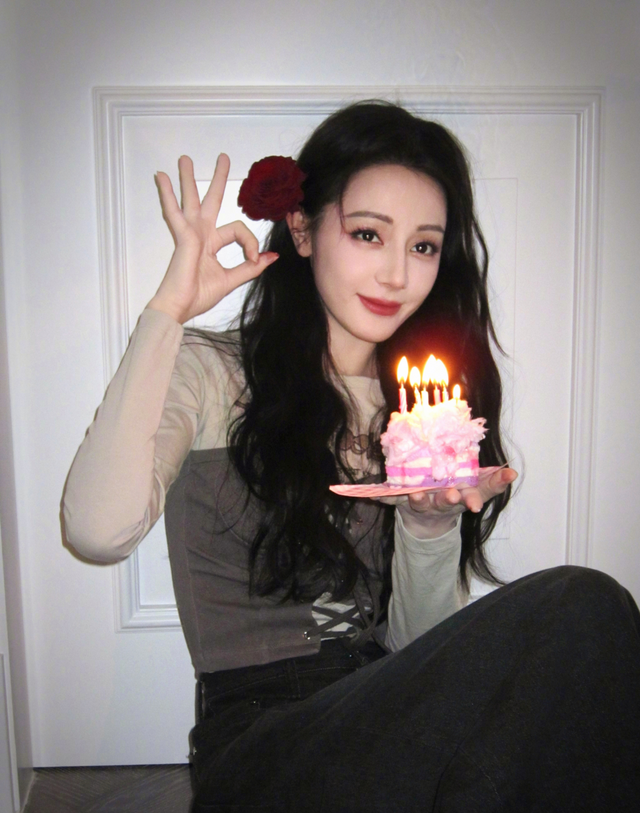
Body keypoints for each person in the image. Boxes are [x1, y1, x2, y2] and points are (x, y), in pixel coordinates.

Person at [63, 100, 640, 811]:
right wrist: (166, 313)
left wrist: (428, 526)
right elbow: (97, 530)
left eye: (423, 246)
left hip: (389, 710)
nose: (397, 274)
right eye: (369, 233)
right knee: (582, 604)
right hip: (262, 746)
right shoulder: (211, 372)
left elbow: (420, 647)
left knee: (582, 638)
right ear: (303, 230)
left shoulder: (423, 413)